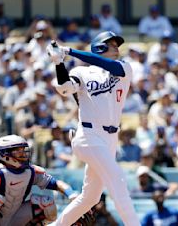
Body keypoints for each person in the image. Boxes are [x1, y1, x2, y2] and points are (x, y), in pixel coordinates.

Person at [46, 31, 139, 225]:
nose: (117, 48)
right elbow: (64, 88)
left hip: (110, 138)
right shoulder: (82, 72)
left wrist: (69, 51)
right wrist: (58, 62)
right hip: (89, 135)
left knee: (90, 197)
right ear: (100, 47)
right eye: (112, 44)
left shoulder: (124, 67)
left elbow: (107, 65)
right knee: (118, 181)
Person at [0, 134, 81, 225]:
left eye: (24, 151)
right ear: (6, 154)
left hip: (14, 219)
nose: (23, 155)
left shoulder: (31, 171)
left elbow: (55, 184)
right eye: (18, 152)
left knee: (47, 202)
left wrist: (71, 194)